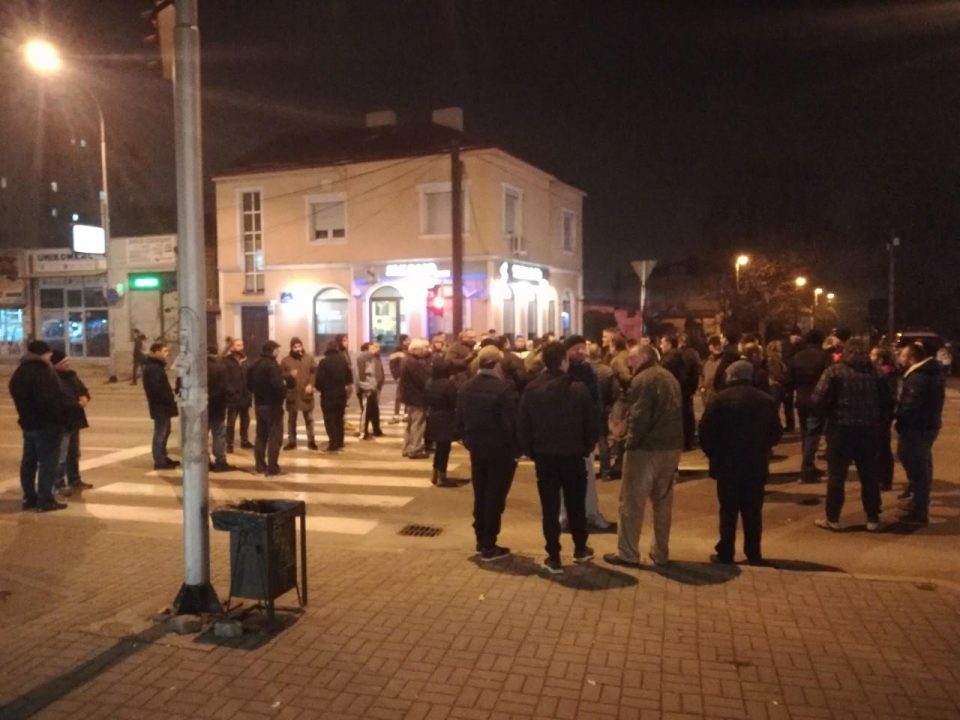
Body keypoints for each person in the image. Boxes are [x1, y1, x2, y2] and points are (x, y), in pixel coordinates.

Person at [519, 341, 599, 574]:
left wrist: (532, 451)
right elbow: (591, 423)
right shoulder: (578, 388)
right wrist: (586, 448)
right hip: (573, 455)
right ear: (564, 361)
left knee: (550, 507)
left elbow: (523, 425)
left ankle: (553, 555)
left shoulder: (532, 389)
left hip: (545, 457)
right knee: (576, 504)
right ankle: (580, 548)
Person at [604, 343, 683, 568]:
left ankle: (627, 553)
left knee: (631, 502)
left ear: (645, 357)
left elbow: (639, 417)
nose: (630, 363)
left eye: (633, 358)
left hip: (646, 449)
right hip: (671, 447)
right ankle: (660, 553)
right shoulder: (669, 377)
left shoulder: (643, 380)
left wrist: (626, 443)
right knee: (663, 502)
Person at [699, 361, 782, 565]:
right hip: (755, 463)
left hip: (727, 464)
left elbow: (706, 432)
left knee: (728, 509)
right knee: (753, 510)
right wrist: (763, 448)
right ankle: (753, 552)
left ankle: (726, 551)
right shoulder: (766, 400)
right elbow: (776, 433)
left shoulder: (719, 400)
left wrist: (713, 454)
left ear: (731, 376)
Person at [811, 337, 892, 532]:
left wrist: (828, 414)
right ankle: (872, 517)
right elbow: (888, 402)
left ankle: (833, 517)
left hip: (841, 429)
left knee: (837, 476)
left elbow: (818, 399)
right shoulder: (876, 373)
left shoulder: (834, 372)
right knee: (869, 475)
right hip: (869, 430)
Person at [455, 344, 519, 562]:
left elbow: (459, 420)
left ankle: (481, 539)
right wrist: (516, 449)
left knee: (480, 493)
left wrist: (468, 440)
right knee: (495, 497)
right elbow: (510, 423)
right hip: (500, 450)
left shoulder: (466, 387)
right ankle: (489, 544)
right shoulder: (504, 389)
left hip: (477, 448)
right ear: (497, 364)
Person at [9, 341, 67, 512]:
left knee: (29, 463)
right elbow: (48, 400)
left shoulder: (20, 371)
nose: (50, 357)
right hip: (47, 425)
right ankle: (45, 500)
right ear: (42, 354)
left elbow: (15, 393)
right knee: (48, 463)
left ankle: (29, 498)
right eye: (48, 354)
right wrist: (59, 418)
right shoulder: (42, 372)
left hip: (28, 424)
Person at [563, 335, 611, 530]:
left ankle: (591, 513)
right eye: (576, 348)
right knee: (564, 478)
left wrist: (593, 428)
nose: (581, 352)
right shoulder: (560, 372)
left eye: (583, 348)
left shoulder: (588, 371)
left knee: (588, 476)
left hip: (583, 434)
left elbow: (595, 401)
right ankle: (564, 515)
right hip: (564, 434)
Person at [895, 342, 945, 525]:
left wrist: (899, 422)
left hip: (917, 428)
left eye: (902, 355)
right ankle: (918, 502)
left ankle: (919, 510)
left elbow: (909, 407)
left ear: (911, 358)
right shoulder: (931, 373)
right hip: (928, 425)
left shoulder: (918, 378)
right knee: (922, 465)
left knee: (917, 468)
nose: (899, 358)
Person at [787, 329, 830, 483]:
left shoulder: (796, 357)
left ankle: (809, 465)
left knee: (805, 433)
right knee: (813, 433)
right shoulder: (824, 357)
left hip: (801, 398)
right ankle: (806, 468)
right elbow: (829, 378)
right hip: (817, 399)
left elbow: (789, 379)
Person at [51, 350, 93, 495]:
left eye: (68, 360)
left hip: (75, 420)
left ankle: (74, 480)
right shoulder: (52, 378)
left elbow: (83, 390)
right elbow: (58, 400)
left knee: (74, 453)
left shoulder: (72, 376)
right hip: (62, 422)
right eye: (64, 362)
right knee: (61, 456)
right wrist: (76, 403)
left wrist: (85, 397)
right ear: (56, 364)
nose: (67, 363)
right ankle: (59, 484)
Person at [248, 340, 288, 475]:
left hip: (259, 404)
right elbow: (278, 385)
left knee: (261, 435)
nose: (278, 351)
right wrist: (284, 390)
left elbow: (249, 384)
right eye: (277, 349)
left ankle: (259, 465)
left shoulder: (255, 364)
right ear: (272, 350)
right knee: (275, 437)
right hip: (273, 405)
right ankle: (272, 467)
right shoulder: (272, 365)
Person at [142, 342, 180, 470]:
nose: (166, 354)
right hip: (160, 406)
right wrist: (169, 398)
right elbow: (157, 388)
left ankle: (163, 456)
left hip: (163, 405)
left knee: (166, 431)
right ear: (157, 352)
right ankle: (159, 460)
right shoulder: (153, 368)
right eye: (165, 351)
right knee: (160, 432)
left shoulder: (156, 366)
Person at [314, 339, 354, 452]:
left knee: (329, 419)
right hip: (341, 395)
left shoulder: (323, 362)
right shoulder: (343, 361)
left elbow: (319, 380)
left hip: (328, 396)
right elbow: (349, 378)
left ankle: (333, 443)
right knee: (339, 419)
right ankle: (340, 441)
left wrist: (321, 389)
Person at [279, 337, 317, 450]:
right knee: (292, 419)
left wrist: (311, 385)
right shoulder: (286, 360)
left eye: (299, 346)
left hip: (306, 393)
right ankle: (292, 441)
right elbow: (280, 374)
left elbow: (314, 372)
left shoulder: (309, 358)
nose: (298, 349)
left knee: (309, 418)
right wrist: (289, 374)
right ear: (291, 348)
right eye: (295, 347)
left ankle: (311, 441)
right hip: (293, 394)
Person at [425, 358, 458, 487]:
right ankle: (441, 476)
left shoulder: (429, 382)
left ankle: (435, 473)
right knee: (444, 448)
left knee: (439, 447)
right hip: (446, 417)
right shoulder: (448, 384)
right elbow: (453, 401)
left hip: (433, 415)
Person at [587, 340, 616, 481]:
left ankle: (586, 470)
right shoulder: (607, 371)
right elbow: (614, 392)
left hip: (586, 409)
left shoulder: (584, 370)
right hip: (601, 408)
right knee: (602, 439)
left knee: (585, 439)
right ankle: (605, 471)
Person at [870, 345, 898, 491]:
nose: (870, 357)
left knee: (882, 446)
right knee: (879, 446)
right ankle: (882, 477)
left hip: (882, 413)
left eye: (873, 354)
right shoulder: (881, 373)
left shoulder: (885, 374)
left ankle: (885, 479)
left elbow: (888, 396)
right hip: (881, 413)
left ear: (880, 359)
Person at [399, 339, 430, 458]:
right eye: (423, 349)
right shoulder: (413, 363)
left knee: (411, 423)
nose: (425, 351)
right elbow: (422, 380)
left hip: (409, 397)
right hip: (416, 397)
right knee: (418, 423)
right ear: (415, 350)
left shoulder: (406, 360)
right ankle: (415, 449)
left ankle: (407, 447)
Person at [222, 338, 253, 453]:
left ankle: (244, 440)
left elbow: (249, 375)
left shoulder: (245, 360)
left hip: (245, 396)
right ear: (232, 347)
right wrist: (231, 390)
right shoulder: (226, 361)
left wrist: (250, 389)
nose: (241, 347)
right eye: (238, 345)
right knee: (231, 422)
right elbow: (224, 378)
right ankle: (229, 443)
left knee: (245, 420)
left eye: (242, 345)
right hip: (233, 397)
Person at [207, 345, 231, 472]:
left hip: (201, 406)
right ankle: (220, 461)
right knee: (219, 434)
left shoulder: (197, 367)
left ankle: (204, 460)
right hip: (217, 406)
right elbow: (225, 387)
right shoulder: (220, 368)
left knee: (202, 435)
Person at [677, 333, 702, 450]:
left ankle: (686, 441)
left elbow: (685, 373)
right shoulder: (694, 353)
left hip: (685, 388)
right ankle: (688, 441)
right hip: (690, 388)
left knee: (685, 415)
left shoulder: (686, 354)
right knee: (688, 414)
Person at [355, 341, 385, 438]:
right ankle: (363, 431)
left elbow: (379, 372)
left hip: (374, 387)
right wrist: (367, 387)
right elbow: (361, 376)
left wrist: (378, 385)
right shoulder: (363, 359)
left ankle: (376, 429)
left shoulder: (374, 358)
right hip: (367, 389)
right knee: (366, 411)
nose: (377, 349)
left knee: (374, 410)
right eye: (374, 347)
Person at [388, 334, 410, 423]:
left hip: (408, 376)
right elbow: (392, 366)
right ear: (403, 341)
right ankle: (396, 414)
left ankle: (406, 414)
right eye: (408, 339)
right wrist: (396, 376)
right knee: (399, 396)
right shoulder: (397, 351)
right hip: (401, 377)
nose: (409, 341)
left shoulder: (409, 350)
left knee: (408, 395)